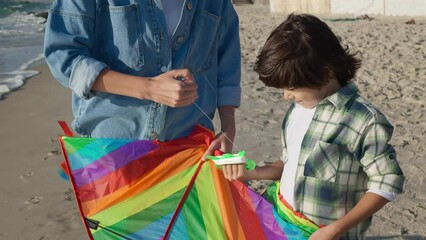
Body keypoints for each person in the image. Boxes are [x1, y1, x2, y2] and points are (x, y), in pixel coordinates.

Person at [222, 13, 404, 240]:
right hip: (283, 221)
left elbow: (388, 182)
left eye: (292, 87)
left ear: (325, 73)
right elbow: (291, 164)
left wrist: (335, 229)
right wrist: (254, 173)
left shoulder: (363, 120)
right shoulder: (297, 111)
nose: (285, 96)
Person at [43, 0, 241, 157]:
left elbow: (227, 66)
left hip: (192, 151)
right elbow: (63, 56)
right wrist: (148, 88)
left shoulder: (218, 3)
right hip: (112, 152)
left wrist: (228, 128)